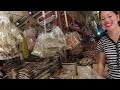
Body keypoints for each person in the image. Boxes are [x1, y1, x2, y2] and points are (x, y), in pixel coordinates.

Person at [96, 11, 120, 79]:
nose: (106, 20)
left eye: (110, 16)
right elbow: (101, 64)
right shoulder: (102, 41)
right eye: (102, 19)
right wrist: (98, 77)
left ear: (118, 17)